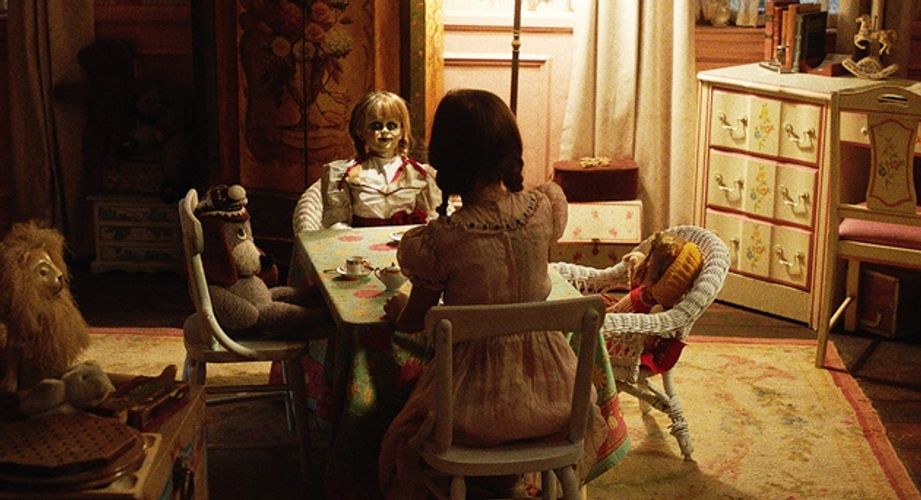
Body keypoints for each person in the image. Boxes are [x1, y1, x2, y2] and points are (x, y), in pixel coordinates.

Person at [378, 89, 625, 499]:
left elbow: (413, 323)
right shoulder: (544, 209)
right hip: (556, 399)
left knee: (396, 430)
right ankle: (506, 481)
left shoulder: (442, 240)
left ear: (446, 160)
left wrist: (400, 308)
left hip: (468, 411)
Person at [317, 90, 442, 229]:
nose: (384, 131)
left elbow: (432, 219)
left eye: (391, 125)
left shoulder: (420, 174)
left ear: (402, 131)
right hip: (362, 241)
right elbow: (336, 223)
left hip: (405, 240)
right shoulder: (342, 174)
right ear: (360, 131)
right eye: (376, 126)